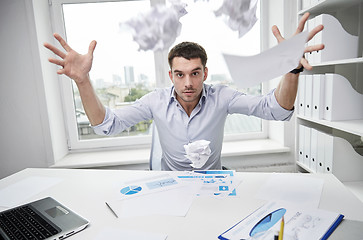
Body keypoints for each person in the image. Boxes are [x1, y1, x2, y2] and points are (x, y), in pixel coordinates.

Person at [44, 12, 324, 171]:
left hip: (214, 184)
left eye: (194, 73)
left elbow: (277, 110)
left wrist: (291, 68)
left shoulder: (222, 96)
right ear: (171, 76)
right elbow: (106, 125)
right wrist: (82, 80)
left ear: (205, 73)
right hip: (171, 186)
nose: (187, 83)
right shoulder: (155, 101)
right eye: (180, 75)